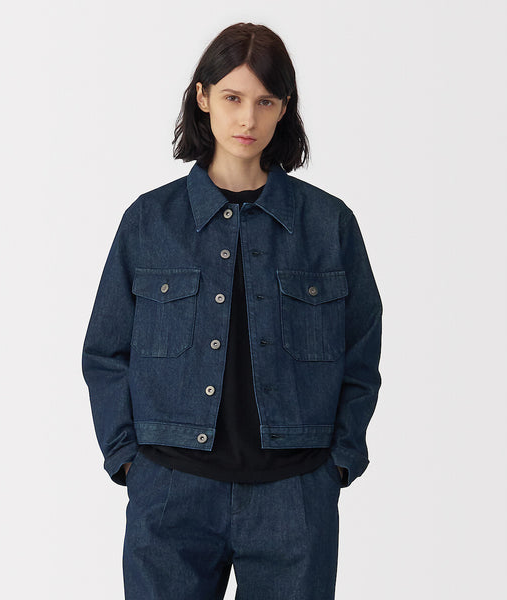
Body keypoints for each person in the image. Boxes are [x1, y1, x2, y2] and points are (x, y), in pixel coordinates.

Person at [82, 21, 383, 600]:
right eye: (232, 98)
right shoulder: (149, 222)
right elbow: (105, 351)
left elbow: (360, 352)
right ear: (203, 97)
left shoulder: (328, 225)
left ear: (284, 108)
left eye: (265, 101)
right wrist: (128, 462)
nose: (248, 119)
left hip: (294, 496)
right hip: (170, 494)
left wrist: (339, 462)